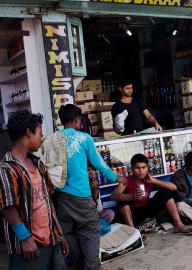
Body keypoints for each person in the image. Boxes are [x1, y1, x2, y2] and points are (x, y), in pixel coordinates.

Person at [0, 110, 69, 269]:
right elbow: (8, 209)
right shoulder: (5, 169)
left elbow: (48, 202)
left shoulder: (38, 164)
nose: (42, 137)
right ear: (28, 133)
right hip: (29, 247)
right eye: (39, 133)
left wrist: (60, 234)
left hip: (52, 240)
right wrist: (25, 239)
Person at [54, 104, 126, 270]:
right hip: (81, 198)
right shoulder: (83, 138)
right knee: (90, 239)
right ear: (77, 120)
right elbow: (99, 164)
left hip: (61, 199)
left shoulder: (52, 140)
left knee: (72, 240)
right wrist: (117, 178)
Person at [111, 153, 192, 236]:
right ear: (132, 169)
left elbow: (174, 187)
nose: (141, 171)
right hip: (132, 214)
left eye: (144, 168)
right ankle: (134, 234)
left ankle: (178, 225)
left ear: (147, 168)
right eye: (138, 168)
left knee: (165, 191)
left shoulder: (149, 179)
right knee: (122, 202)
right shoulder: (127, 180)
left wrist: (154, 181)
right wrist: (132, 196)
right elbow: (114, 196)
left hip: (147, 211)